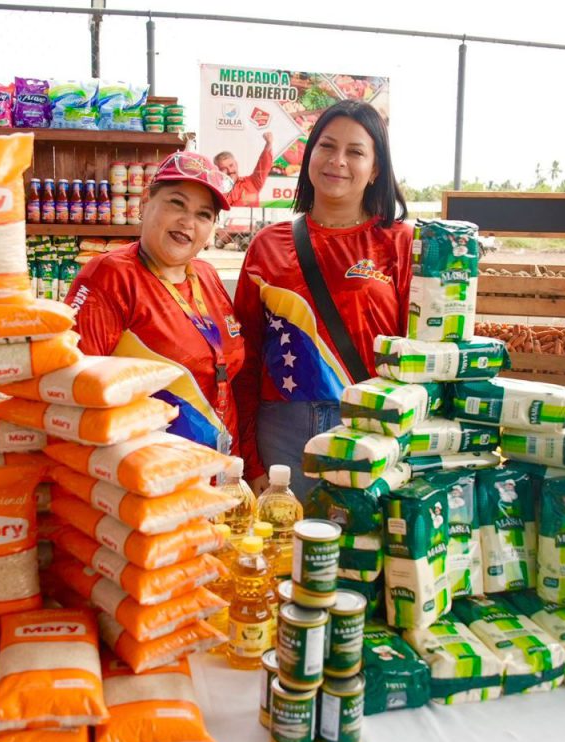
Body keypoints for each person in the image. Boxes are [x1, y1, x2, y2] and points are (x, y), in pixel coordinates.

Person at [233, 100, 411, 498]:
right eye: (327, 146)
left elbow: (423, 359)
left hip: (372, 431)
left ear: (376, 169)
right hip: (281, 434)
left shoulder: (401, 244)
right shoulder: (268, 245)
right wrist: (251, 458)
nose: (338, 161)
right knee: (285, 552)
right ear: (310, 154)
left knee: (364, 555)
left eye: (356, 151)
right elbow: (245, 360)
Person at [64, 151, 244, 454]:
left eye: (204, 215)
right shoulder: (109, 276)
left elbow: (232, 382)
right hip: (147, 480)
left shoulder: (206, 275)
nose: (188, 221)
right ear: (145, 203)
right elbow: (74, 395)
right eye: (177, 203)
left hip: (220, 472)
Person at [214, 132, 274, 207]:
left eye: (231, 165)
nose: (230, 171)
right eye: (224, 169)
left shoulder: (252, 182)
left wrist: (268, 144)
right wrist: (243, 201)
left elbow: (263, 166)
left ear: (236, 164)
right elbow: (223, 212)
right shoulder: (218, 191)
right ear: (218, 171)